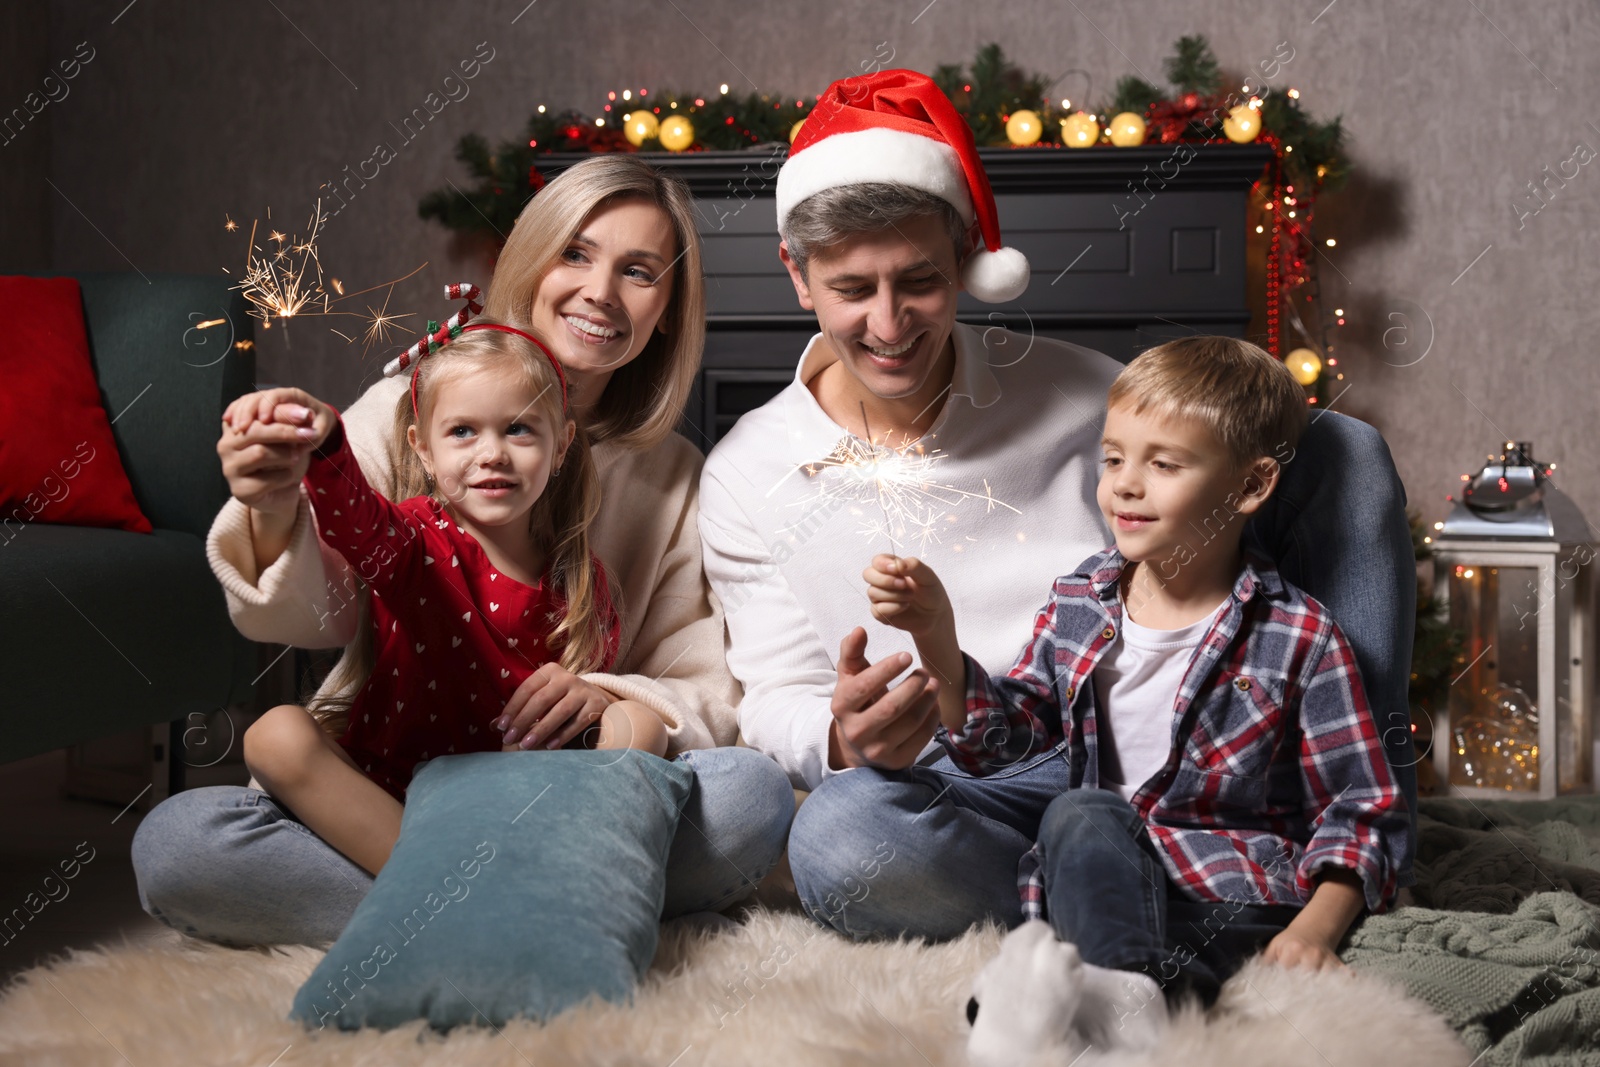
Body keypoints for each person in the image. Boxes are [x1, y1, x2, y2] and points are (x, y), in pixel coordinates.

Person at [698, 69, 1417, 943]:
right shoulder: (746, 470)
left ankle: (1364, 836)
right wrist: (843, 740)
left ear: (965, 253)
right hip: (967, 778)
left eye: (919, 281)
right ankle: (1136, 890)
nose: (889, 325)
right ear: (799, 276)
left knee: (1343, 449)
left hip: (1141, 738)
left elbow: (1211, 501)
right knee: (841, 836)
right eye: (853, 289)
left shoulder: (1083, 394)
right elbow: (776, 691)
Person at [132, 156, 794, 947]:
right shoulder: (405, 404)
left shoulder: (678, 479)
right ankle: (544, 907)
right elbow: (322, 608)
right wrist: (276, 500)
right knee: (178, 846)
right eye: (576, 253)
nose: (601, 292)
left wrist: (614, 695)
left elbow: (707, 688)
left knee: (751, 796)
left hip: (562, 791)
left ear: (666, 310)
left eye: (639, 272)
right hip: (400, 785)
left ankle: (444, 909)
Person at [866, 337, 1407, 1043]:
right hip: (1103, 876)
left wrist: (1315, 930)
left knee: (1069, 861)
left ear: (1249, 487)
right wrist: (937, 636)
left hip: (1228, 896)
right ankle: (1126, 1005)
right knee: (1079, 817)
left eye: (1163, 463)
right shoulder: (1079, 602)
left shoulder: (1300, 635)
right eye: (1114, 458)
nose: (1124, 484)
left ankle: (1107, 1007)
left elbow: (1360, 807)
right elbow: (1009, 736)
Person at [231, 321, 668, 878]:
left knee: (640, 721)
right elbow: (353, 521)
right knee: (276, 735)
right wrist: (323, 443)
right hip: (387, 796)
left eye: (518, 430)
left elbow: (580, 718)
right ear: (424, 450)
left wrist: (594, 700)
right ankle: (436, 884)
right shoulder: (413, 540)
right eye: (462, 431)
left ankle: (508, 877)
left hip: (513, 801)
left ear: (561, 446)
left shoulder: (583, 583)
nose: (492, 454)